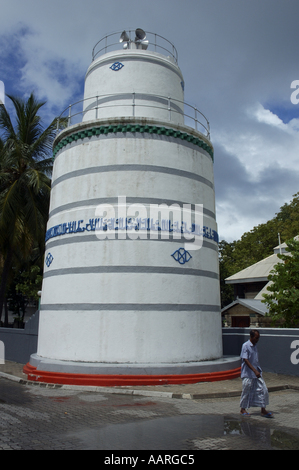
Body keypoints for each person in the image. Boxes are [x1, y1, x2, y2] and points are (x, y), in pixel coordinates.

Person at [240, 330, 273, 418]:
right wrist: (254, 370)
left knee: (263, 390)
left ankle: (263, 410)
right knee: (246, 392)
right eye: (256, 338)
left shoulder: (255, 346)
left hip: (257, 374)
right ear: (251, 337)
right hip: (248, 374)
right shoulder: (245, 346)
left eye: (258, 338)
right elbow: (245, 359)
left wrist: (257, 371)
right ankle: (243, 409)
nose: (257, 340)